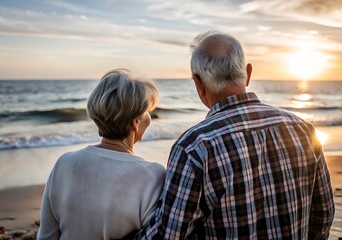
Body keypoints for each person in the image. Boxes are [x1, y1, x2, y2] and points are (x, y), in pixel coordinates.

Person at [134, 31, 334, 239]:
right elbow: (323, 215)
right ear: (248, 73)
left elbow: (169, 235)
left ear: (198, 83)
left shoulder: (195, 147)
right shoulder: (303, 130)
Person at [37, 69, 166, 240]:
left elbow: (46, 236)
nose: (149, 117)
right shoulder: (152, 176)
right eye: (148, 111)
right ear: (136, 121)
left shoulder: (64, 163)